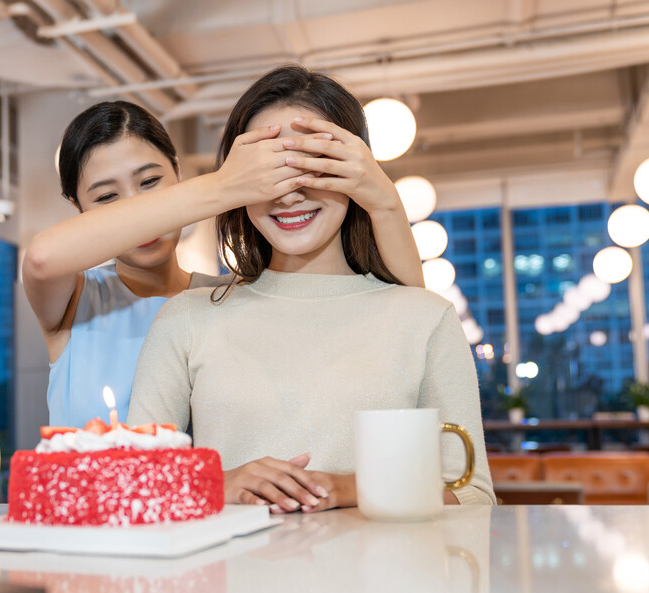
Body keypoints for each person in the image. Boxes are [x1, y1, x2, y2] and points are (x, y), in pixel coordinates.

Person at [126, 65, 494, 511]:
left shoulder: (426, 318)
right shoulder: (186, 318)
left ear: (356, 172)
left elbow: (471, 495)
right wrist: (216, 485)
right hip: (230, 579)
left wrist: (348, 489)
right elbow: (134, 486)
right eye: (266, 171)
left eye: (312, 165)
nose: (287, 195)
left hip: (382, 580)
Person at [22, 100, 425, 427]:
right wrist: (226, 184)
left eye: (150, 183)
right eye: (107, 197)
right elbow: (41, 258)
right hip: (84, 524)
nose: (139, 213)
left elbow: (409, 315)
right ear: (78, 208)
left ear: (178, 174)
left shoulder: (229, 299)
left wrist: (385, 200)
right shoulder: (75, 301)